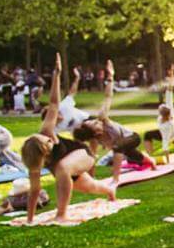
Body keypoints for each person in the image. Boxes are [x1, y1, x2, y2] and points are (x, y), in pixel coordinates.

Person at [19, 54, 117, 224]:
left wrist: (57, 74)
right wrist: (29, 220)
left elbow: (54, 103)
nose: (51, 140)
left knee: (62, 168)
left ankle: (61, 214)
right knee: (91, 187)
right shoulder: (34, 165)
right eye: (48, 143)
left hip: (82, 154)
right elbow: (35, 191)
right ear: (41, 155)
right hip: (67, 170)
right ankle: (110, 191)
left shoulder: (46, 131)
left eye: (48, 140)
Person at [72, 61, 155, 184]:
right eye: (94, 124)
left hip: (132, 137)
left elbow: (108, 97)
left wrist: (110, 76)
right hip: (123, 146)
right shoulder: (95, 140)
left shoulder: (102, 118)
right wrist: (91, 178)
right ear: (95, 133)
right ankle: (152, 163)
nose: (95, 121)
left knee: (117, 148)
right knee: (138, 157)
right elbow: (93, 156)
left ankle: (115, 179)